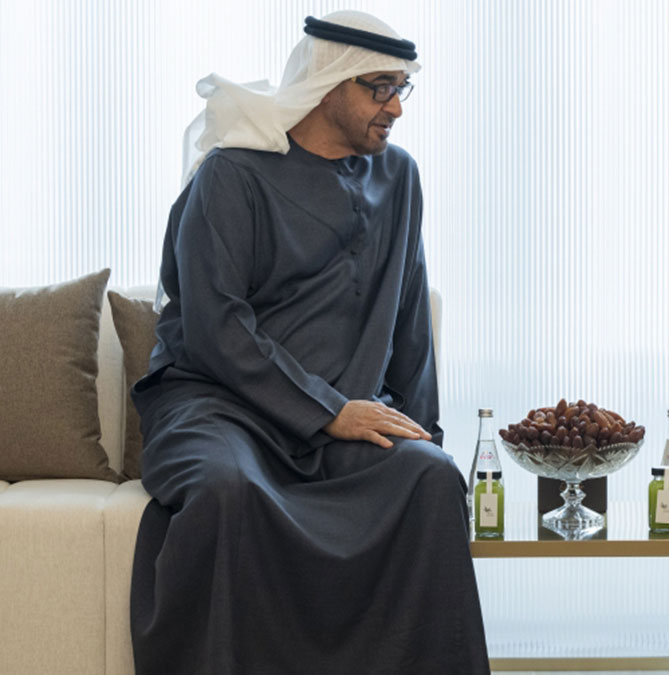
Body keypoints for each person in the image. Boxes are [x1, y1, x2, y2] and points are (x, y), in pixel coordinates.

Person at [130, 11, 490, 673]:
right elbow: (215, 327)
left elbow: (409, 318)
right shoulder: (232, 174)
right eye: (379, 88)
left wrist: (425, 433)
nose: (396, 108)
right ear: (329, 85)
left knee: (431, 479)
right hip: (219, 409)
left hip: (344, 421)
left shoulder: (399, 177)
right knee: (224, 491)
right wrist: (328, 410)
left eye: (401, 89)